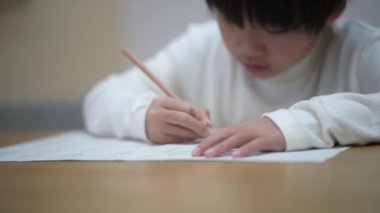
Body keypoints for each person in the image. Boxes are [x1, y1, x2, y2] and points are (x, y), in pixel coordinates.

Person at [83, 0, 380, 158]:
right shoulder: (203, 48)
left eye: (275, 25)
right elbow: (99, 99)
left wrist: (296, 125)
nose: (247, 47)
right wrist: (143, 116)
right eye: (233, 21)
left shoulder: (360, 52)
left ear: (332, 8)